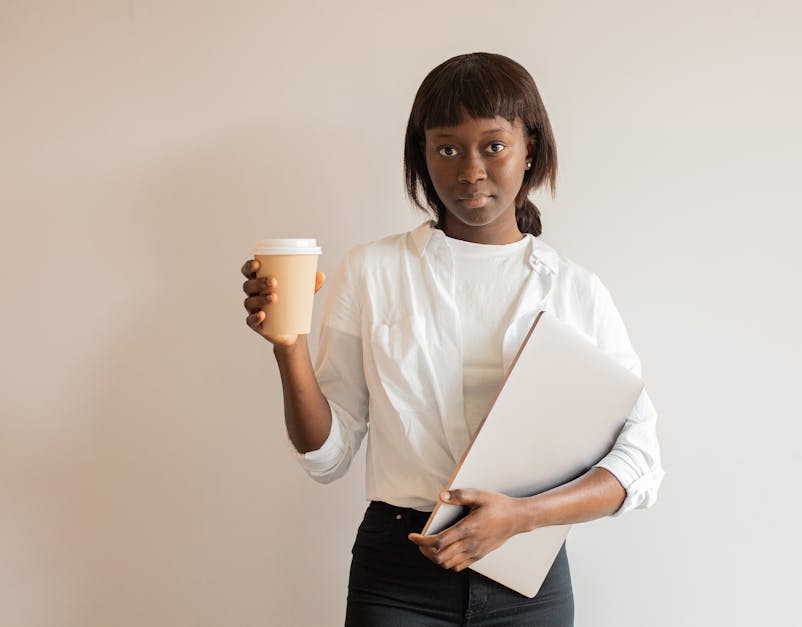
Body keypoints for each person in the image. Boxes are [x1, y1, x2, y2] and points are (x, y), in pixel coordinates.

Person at [240, 52, 664, 626]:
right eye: (447, 148)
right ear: (423, 154)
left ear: (529, 147)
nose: (470, 170)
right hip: (397, 575)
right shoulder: (372, 271)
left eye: (493, 145)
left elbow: (640, 460)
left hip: (526, 580)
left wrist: (522, 516)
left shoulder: (575, 291)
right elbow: (328, 456)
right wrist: (287, 348)